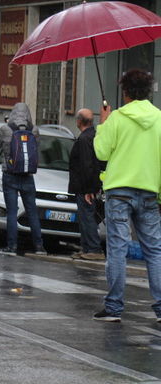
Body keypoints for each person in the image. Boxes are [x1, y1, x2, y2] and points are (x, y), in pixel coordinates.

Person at [92, 68, 161, 323]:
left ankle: (113, 308)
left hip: (119, 192)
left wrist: (103, 124)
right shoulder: (159, 118)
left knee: (118, 250)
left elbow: (101, 153)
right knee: (155, 250)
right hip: (149, 191)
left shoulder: (117, 118)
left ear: (125, 93)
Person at [0, 102, 47, 256]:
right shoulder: (34, 130)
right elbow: (36, 147)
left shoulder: (5, 129)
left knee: (11, 212)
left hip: (10, 174)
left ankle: (12, 247)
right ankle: (39, 247)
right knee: (32, 211)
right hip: (28, 175)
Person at [68, 108, 105, 260]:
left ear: (79, 121)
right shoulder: (95, 136)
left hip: (85, 187)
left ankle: (93, 249)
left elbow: (86, 165)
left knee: (87, 217)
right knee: (86, 217)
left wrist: (89, 189)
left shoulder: (84, 139)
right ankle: (86, 247)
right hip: (91, 185)